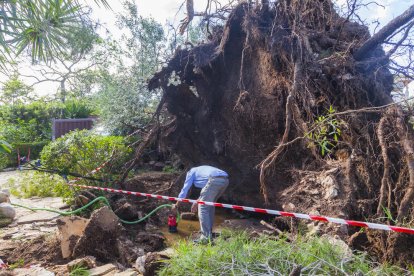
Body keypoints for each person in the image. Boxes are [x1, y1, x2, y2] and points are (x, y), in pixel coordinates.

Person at [172, 165, 229, 243]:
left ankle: (205, 237)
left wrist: (176, 204)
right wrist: (196, 202)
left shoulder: (191, 172)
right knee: (209, 206)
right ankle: (209, 233)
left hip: (214, 180)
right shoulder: (201, 171)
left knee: (203, 208)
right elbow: (206, 191)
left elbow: (185, 189)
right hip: (224, 181)